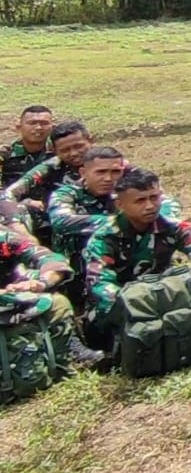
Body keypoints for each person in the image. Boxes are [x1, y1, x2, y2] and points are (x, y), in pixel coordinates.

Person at [81, 168, 191, 350]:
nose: (150, 206)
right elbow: (100, 286)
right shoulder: (104, 238)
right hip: (122, 305)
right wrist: (141, 306)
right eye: (140, 200)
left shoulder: (173, 227)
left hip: (162, 296)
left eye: (154, 197)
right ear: (120, 204)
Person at [49, 147, 180, 269]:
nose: (108, 178)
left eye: (116, 172)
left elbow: (169, 203)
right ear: (83, 173)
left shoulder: (128, 191)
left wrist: (151, 218)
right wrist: (124, 222)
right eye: (100, 172)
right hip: (80, 266)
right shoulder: (67, 194)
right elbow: (61, 221)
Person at [0, 222, 104, 366]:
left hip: (7, 299)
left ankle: (69, 353)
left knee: (57, 301)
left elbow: (49, 258)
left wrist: (41, 283)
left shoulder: (4, 238)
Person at [2, 121, 91, 241]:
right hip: (60, 223)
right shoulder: (51, 166)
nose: (73, 153)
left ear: (90, 140)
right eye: (65, 150)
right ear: (55, 150)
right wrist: (19, 226)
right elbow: (9, 193)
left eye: (79, 146)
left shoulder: (109, 163)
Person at [4, 105, 54, 186]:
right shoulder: (4, 155)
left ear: (53, 127)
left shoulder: (61, 153)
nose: (38, 127)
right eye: (32, 123)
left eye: (44, 123)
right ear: (19, 127)